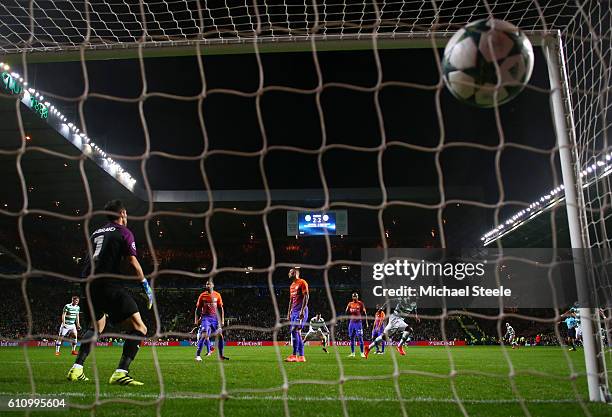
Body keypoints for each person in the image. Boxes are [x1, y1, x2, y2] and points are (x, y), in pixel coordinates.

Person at [66, 200, 154, 386]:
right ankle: (121, 373)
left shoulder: (95, 232)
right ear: (122, 213)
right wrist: (145, 284)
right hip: (107, 283)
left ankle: (77, 369)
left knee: (97, 327)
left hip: (87, 284)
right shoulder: (124, 232)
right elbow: (132, 261)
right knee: (140, 328)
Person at [194, 279, 229, 361]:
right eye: (207, 284)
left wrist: (222, 320)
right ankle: (198, 355)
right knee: (204, 335)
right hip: (205, 318)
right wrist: (196, 320)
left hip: (215, 319)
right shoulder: (202, 295)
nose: (208, 286)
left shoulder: (217, 295)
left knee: (220, 336)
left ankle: (221, 356)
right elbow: (197, 308)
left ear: (213, 285)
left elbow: (221, 308)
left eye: (209, 284)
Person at [285, 268, 309, 363]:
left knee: (296, 330)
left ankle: (298, 355)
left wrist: (302, 310)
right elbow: (291, 300)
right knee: (295, 332)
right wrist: (288, 312)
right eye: (289, 272)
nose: (289, 273)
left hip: (300, 311)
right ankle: (298, 356)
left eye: (291, 272)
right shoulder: (291, 286)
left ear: (295, 273)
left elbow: (306, 296)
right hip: (294, 312)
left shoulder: (302, 282)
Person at [345, 292, 367, 358]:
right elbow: (346, 311)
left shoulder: (360, 303)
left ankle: (362, 353)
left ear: (357, 297)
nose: (355, 297)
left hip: (358, 323)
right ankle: (352, 353)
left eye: (356, 296)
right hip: (351, 322)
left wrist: (365, 321)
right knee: (351, 337)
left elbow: (364, 312)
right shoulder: (350, 304)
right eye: (353, 296)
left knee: (360, 337)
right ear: (352, 297)